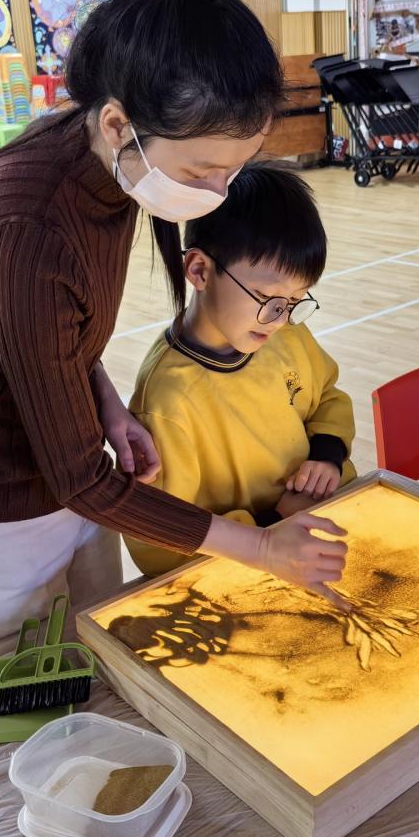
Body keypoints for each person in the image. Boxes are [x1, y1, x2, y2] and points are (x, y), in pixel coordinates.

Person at [0, 0, 347, 663]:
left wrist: (102, 402)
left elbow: (50, 336)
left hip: (69, 491)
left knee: (95, 666)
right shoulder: (26, 228)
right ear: (116, 125)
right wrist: (261, 548)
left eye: (233, 171)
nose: (218, 195)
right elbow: (80, 476)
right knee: (19, 698)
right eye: (202, 171)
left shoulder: (108, 166)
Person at [124, 163, 356, 577]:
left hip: (318, 537)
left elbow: (328, 397)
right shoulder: (167, 402)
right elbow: (156, 547)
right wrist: (272, 524)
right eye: (268, 298)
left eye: (294, 302)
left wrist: (327, 457)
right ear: (199, 270)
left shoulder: (284, 335)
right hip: (241, 576)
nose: (280, 318)